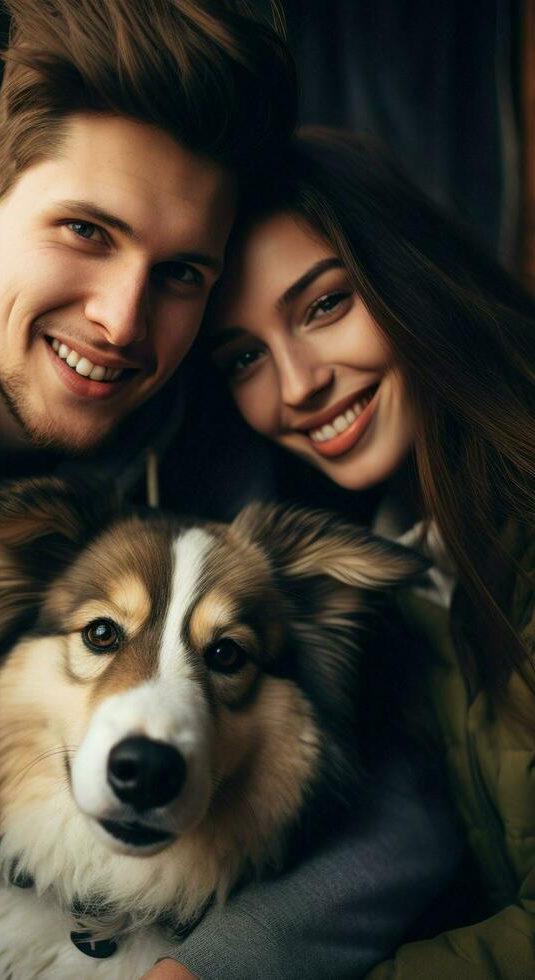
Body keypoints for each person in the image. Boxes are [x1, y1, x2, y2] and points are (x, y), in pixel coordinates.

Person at [0, 0, 457, 972]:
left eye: (178, 272)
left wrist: (205, 969)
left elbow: (394, 780)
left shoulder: (221, 391)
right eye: (85, 229)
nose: (123, 322)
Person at [207, 127, 535, 979]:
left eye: (324, 306)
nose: (298, 384)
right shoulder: (384, 569)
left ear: (410, 278)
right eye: (245, 357)